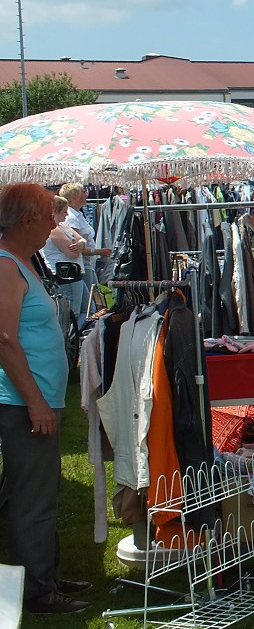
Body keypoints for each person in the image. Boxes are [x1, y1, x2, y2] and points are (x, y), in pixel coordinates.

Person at [0, 183, 91, 613]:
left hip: (32, 398)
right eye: (48, 215)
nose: (56, 222)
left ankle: (44, 576)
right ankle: (36, 591)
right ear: (27, 219)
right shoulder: (5, 265)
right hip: (21, 402)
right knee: (31, 497)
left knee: (40, 492)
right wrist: (35, 401)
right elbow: (4, 340)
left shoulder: (20, 262)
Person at [57, 184, 110, 326]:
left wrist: (82, 244)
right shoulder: (71, 218)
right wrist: (98, 251)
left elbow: (80, 241)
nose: (87, 194)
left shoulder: (78, 215)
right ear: (75, 195)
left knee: (93, 303)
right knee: (87, 307)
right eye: (83, 191)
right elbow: (75, 247)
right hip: (80, 266)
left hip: (86, 264)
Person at [40, 195, 86, 327]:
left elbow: (82, 240)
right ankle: (69, 339)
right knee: (70, 313)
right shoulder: (54, 230)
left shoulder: (63, 226)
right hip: (66, 275)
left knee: (86, 308)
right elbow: (72, 253)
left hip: (74, 273)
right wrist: (80, 246)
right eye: (64, 211)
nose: (67, 215)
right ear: (55, 211)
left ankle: (74, 336)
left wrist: (81, 244)